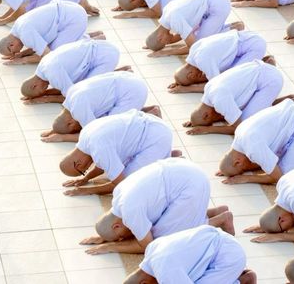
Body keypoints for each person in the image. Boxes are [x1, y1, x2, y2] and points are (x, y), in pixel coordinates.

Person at [80, 159, 234, 255]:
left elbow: (147, 246)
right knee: (158, 226)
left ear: (116, 225)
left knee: (163, 240)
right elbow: (127, 230)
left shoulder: (130, 212)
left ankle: (221, 219)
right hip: (183, 169)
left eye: (119, 236)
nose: (123, 238)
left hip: (191, 184)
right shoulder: (118, 195)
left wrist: (112, 247)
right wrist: (106, 237)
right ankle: (215, 212)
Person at [218, 99, 294, 184]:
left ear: (238, 162)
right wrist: (226, 168)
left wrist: (247, 178)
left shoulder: (253, 147)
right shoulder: (240, 136)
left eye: (242, 169)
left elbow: (280, 177)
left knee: (289, 172)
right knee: (279, 158)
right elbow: (264, 161)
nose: (247, 169)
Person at [59, 110, 173, 196]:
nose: (88, 168)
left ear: (78, 164)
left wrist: (86, 191)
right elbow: (102, 164)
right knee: (121, 165)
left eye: (83, 171)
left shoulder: (99, 148)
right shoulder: (85, 135)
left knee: (133, 182)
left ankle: (166, 156)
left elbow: (121, 184)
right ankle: (166, 154)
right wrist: (86, 178)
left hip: (157, 138)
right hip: (150, 121)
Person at [41, 71, 152, 143]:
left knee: (112, 128)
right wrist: (54, 130)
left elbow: (95, 134)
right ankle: (142, 109)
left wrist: (63, 138)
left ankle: (151, 113)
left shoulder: (80, 110)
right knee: (104, 120)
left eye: (74, 130)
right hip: (126, 78)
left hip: (134, 92)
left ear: (70, 123)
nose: (78, 129)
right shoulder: (70, 95)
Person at [183, 60, 288, 135]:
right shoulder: (209, 89)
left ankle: (287, 103)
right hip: (259, 67)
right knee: (240, 108)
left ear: (206, 115)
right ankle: (268, 101)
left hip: (271, 80)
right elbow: (203, 114)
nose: (216, 119)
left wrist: (207, 129)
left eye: (211, 120)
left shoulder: (220, 100)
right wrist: (196, 120)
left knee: (247, 123)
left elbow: (237, 128)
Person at [123, 225, 254, 284]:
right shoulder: (151, 251)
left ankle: (243, 280)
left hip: (230, 257)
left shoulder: (166, 272)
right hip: (219, 244)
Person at [20, 38, 121, 104]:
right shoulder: (42, 65)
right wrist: (43, 93)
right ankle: (112, 73)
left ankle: (115, 75)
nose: (45, 90)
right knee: (80, 85)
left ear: (34, 86)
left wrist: (46, 98)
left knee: (87, 93)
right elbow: (66, 87)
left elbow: (74, 97)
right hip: (101, 45)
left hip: (106, 57)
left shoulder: (52, 73)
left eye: (40, 91)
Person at [145, 0, 242, 57]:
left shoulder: (175, 20)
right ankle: (217, 27)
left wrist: (167, 52)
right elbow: (182, 34)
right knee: (196, 35)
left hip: (219, 6)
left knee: (201, 44)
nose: (168, 43)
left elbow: (193, 47)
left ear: (160, 37)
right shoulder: (166, 13)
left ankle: (235, 27)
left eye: (165, 43)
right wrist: (153, 44)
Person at [0, 0, 91, 65]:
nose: (18, 51)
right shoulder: (17, 26)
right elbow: (38, 44)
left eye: (15, 51)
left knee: (56, 54)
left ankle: (92, 40)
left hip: (75, 18)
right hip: (70, 7)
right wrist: (22, 54)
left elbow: (47, 55)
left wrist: (22, 60)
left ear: (11, 45)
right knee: (52, 45)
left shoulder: (25, 34)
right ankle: (93, 35)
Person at [170, 30, 268, 93]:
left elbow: (217, 85)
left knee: (233, 79)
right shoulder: (194, 51)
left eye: (194, 80)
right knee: (226, 73)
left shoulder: (204, 62)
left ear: (191, 75)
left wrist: (188, 89)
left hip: (254, 46)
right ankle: (259, 61)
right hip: (247, 35)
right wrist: (180, 81)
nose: (200, 78)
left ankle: (265, 64)